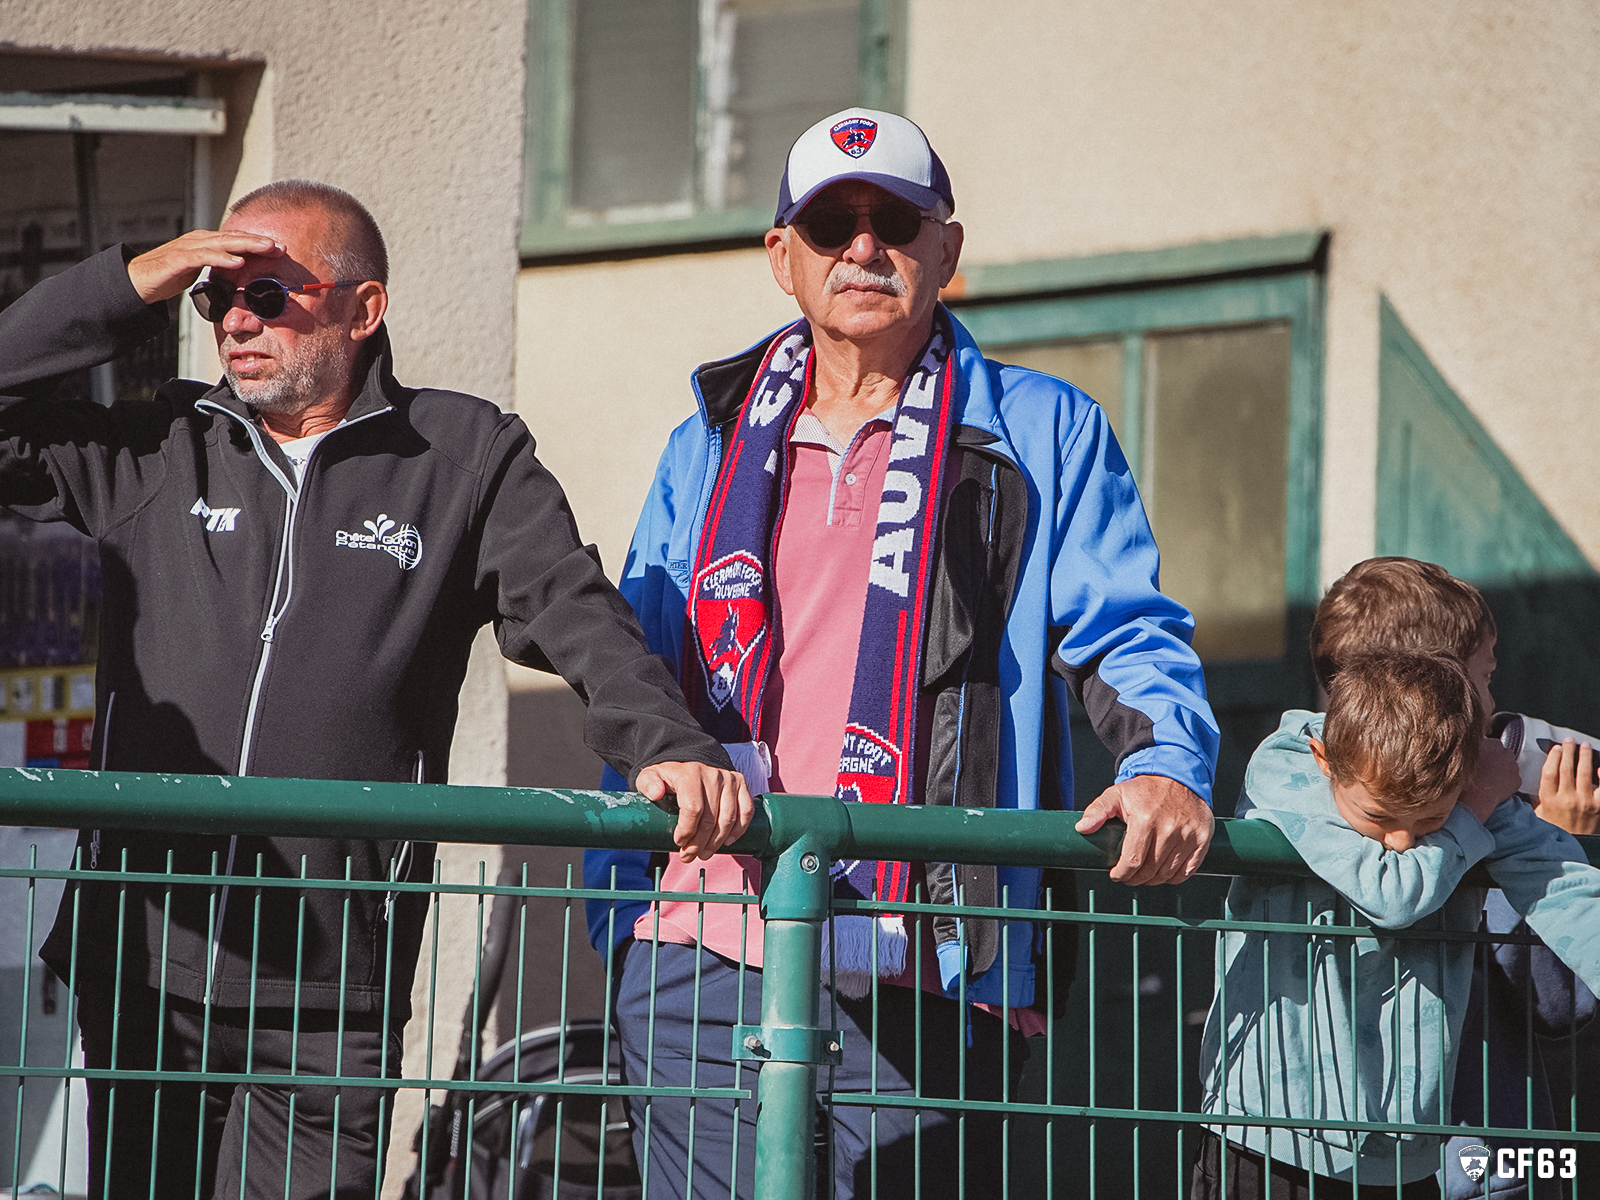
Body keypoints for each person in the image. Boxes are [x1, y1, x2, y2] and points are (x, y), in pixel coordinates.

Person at [0, 180, 751, 1200]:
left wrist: (667, 741)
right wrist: (133, 280)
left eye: (270, 292)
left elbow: (575, 611)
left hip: (328, 980)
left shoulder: (464, 455)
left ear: (362, 310)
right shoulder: (158, 447)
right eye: (215, 296)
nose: (236, 320)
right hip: (146, 962)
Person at [584, 108, 1220, 1198]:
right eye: (833, 224)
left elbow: (1128, 627)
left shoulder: (1042, 428)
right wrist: (624, 913)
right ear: (783, 258)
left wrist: (1165, 761)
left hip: (930, 945)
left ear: (946, 252)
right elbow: (636, 659)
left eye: (895, 221)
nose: (864, 248)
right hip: (701, 938)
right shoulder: (706, 442)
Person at [1193, 647, 1600, 1200]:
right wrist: (1463, 817)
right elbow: (1395, 894)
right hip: (1268, 1131)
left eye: (1429, 818)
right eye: (1380, 818)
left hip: (1404, 1148)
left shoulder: (1473, 792)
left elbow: (1565, 885)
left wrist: (1470, 806)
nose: (1404, 841)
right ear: (1324, 759)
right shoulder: (1284, 766)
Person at [1306, 557, 1600, 1200]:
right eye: (1485, 679)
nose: (1494, 703)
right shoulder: (1478, 821)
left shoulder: (1329, 806)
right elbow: (1553, 1001)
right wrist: (1559, 842)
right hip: (1480, 1152)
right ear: (1432, 685)